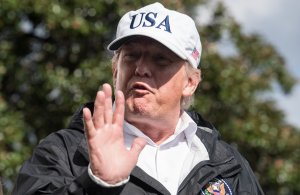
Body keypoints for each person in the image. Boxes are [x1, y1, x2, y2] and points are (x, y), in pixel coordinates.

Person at [13, 2, 264, 195]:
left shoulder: (228, 164)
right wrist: (97, 184)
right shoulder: (64, 151)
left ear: (190, 82)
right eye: (131, 56)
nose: (141, 68)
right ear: (115, 71)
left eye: (160, 59)